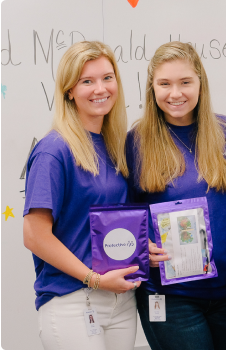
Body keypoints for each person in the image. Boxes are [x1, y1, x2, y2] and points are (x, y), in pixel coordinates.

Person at [126, 41, 226, 350]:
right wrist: (142, 246)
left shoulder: (225, 131)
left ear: (200, 84)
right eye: (164, 83)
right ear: (152, 88)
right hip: (170, 297)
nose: (175, 93)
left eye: (185, 82)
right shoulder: (137, 141)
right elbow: (122, 214)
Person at [23, 41, 139, 350]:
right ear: (69, 91)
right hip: (72, 300)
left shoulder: (115, 146)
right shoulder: (53, 150)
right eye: (86, 81)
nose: (100, 88)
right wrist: (95, 279)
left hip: (120, 300)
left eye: (107, 77)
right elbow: (35, 236)